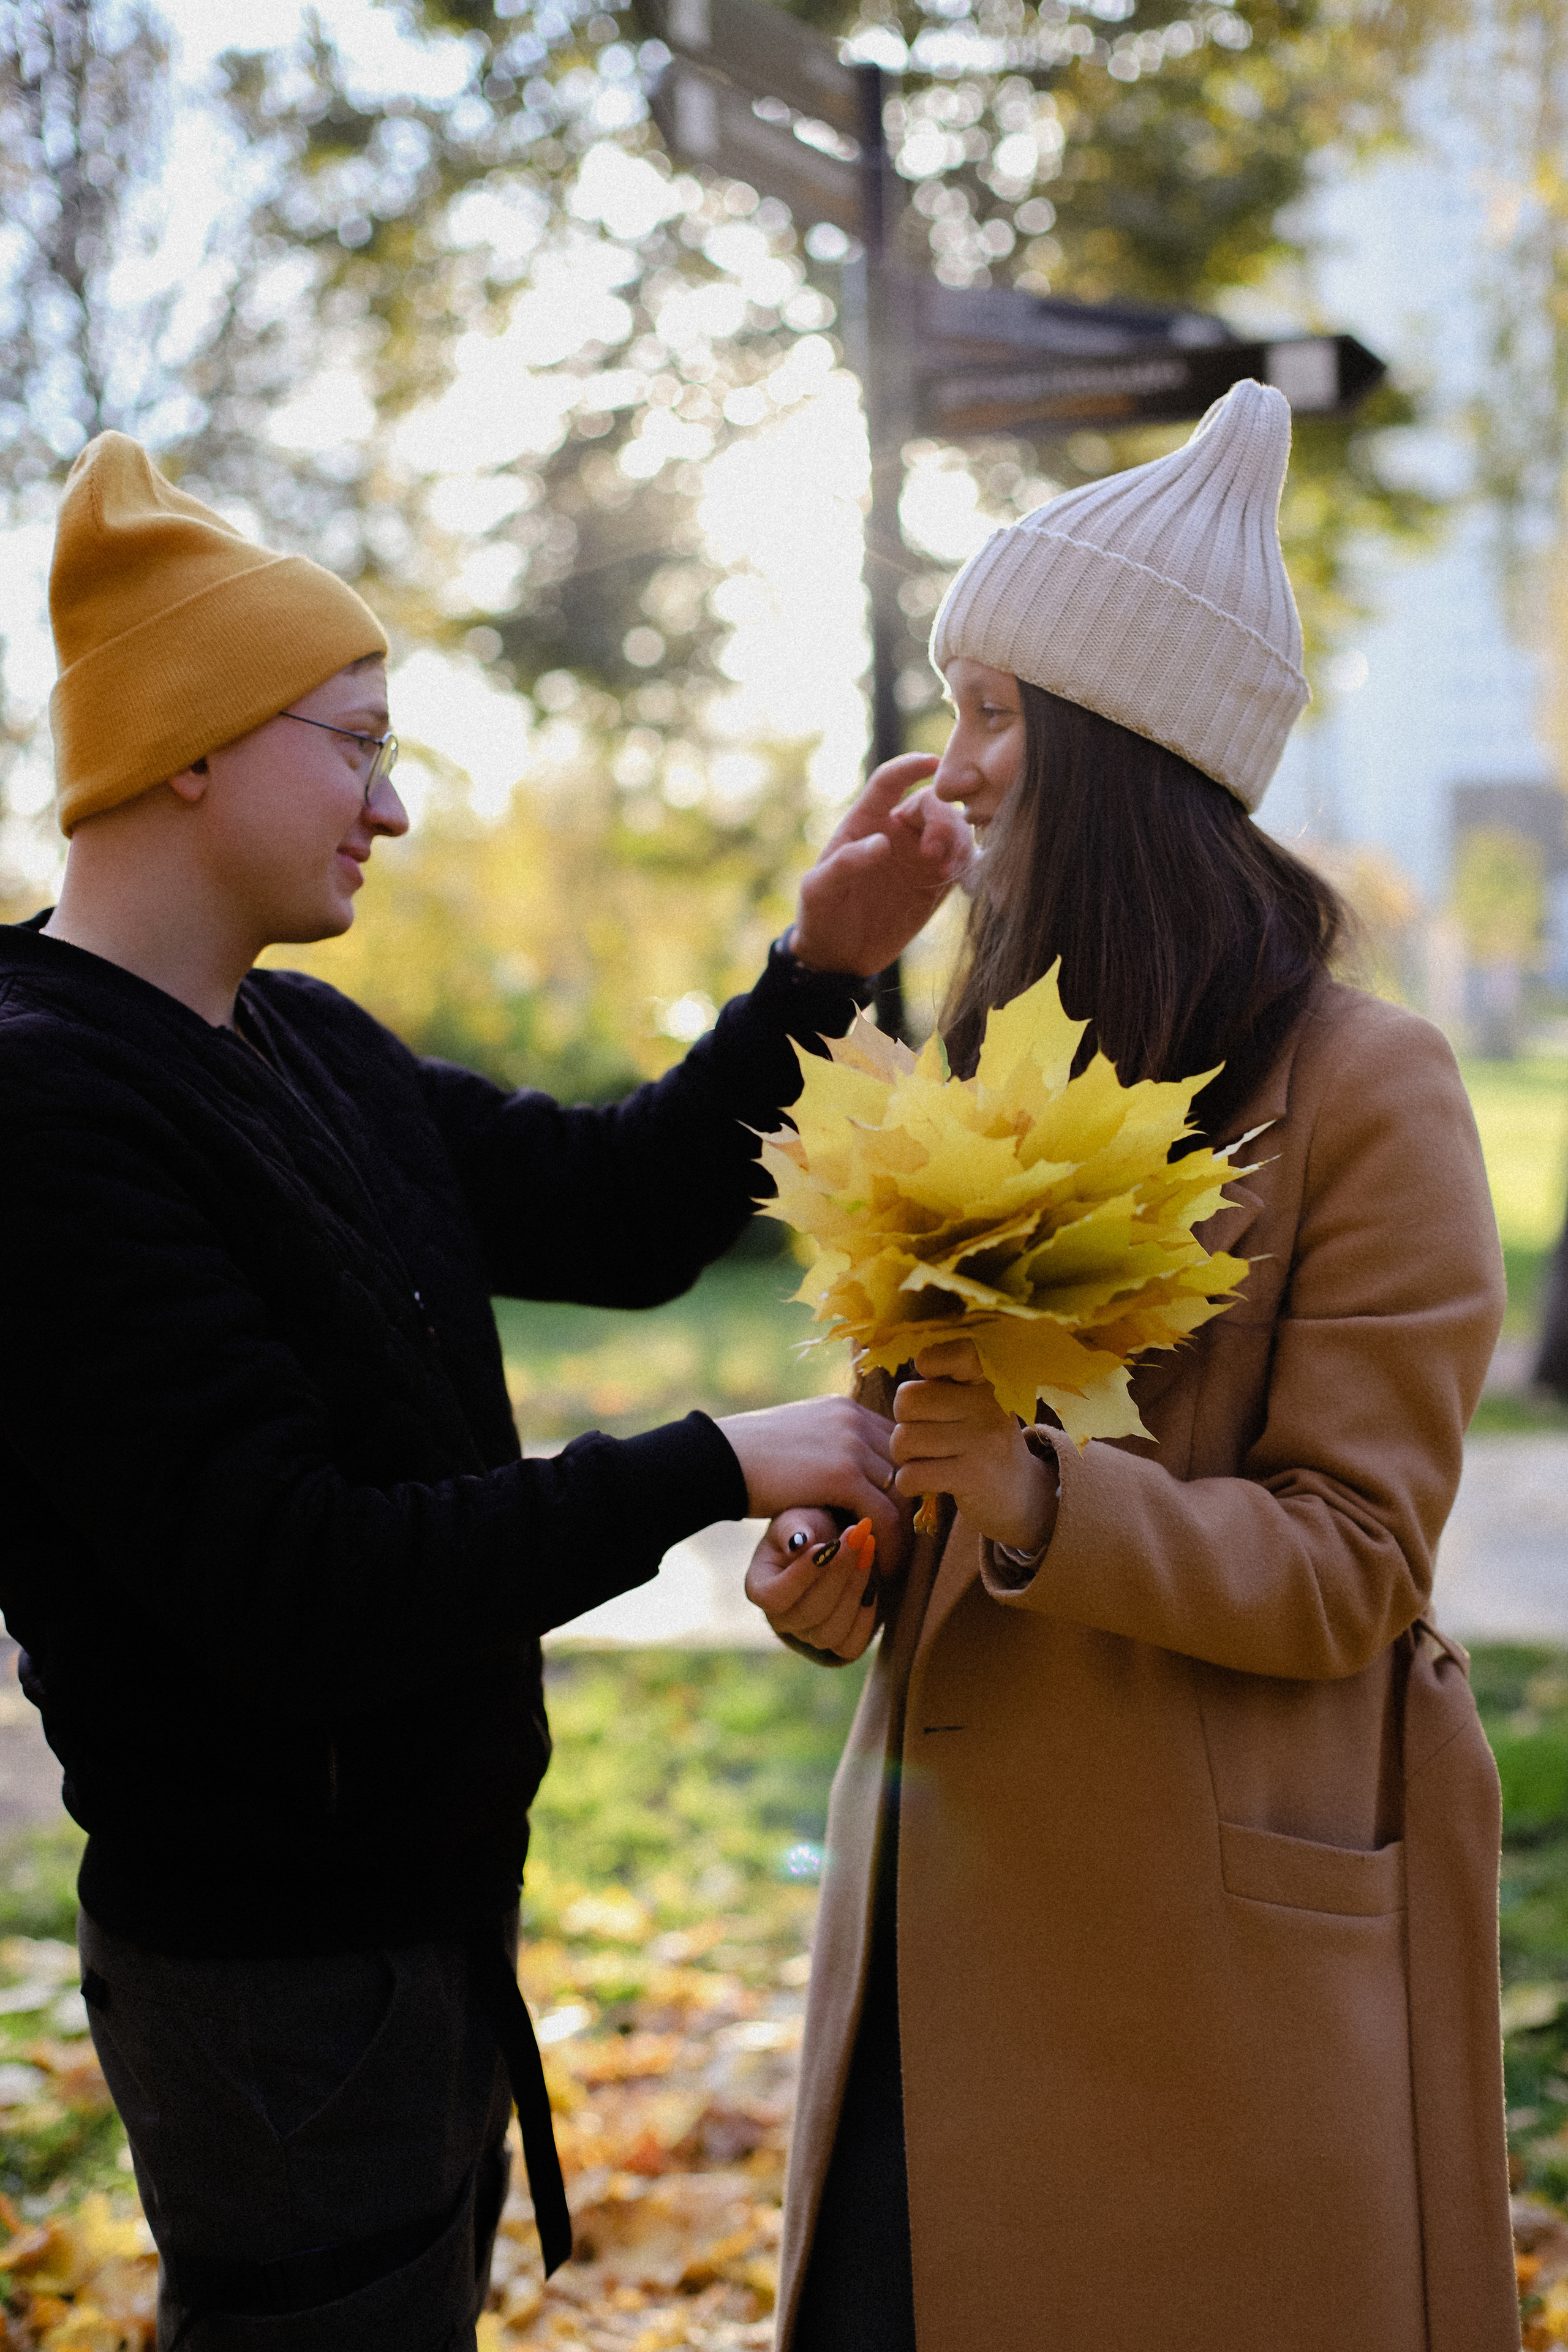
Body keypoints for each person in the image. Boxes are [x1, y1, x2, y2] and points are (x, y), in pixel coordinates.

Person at [0, 432, 970, 2352]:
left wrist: (820, 969)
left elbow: (615, 1213)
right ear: (190, 745)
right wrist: (712, 1460)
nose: (395, 806)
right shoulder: (46, 1106)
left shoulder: (295, 1037)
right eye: (355, 743)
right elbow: (299, 1579)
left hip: (413, 1913)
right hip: (276, 1962)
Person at [745, 380, 1519, 2352]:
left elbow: (1358, 1561)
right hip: (938, 1926)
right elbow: (934, 1464)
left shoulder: (1373, 1087)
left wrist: (1036, 1497)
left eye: (998, 712)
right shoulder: (977, 1063)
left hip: (1193, 1993)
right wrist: (852, 1570)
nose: (957, 764)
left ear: (1124, 747)